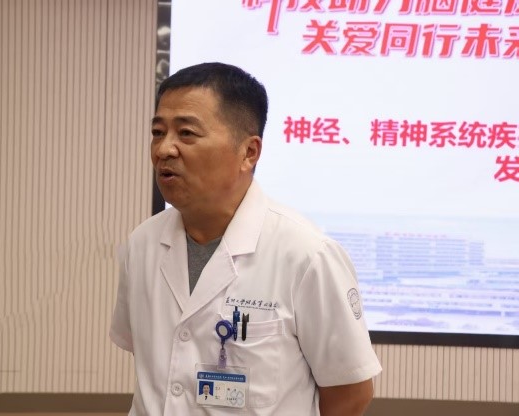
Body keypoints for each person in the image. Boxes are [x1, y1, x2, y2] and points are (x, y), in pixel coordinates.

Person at [110, 62, 382, 415]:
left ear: (249, 152)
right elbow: (151, 356)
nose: (164, 149)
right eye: (158, 132)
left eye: (187, 133)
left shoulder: (306, 254)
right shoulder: (142, 244)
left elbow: (350, 392)